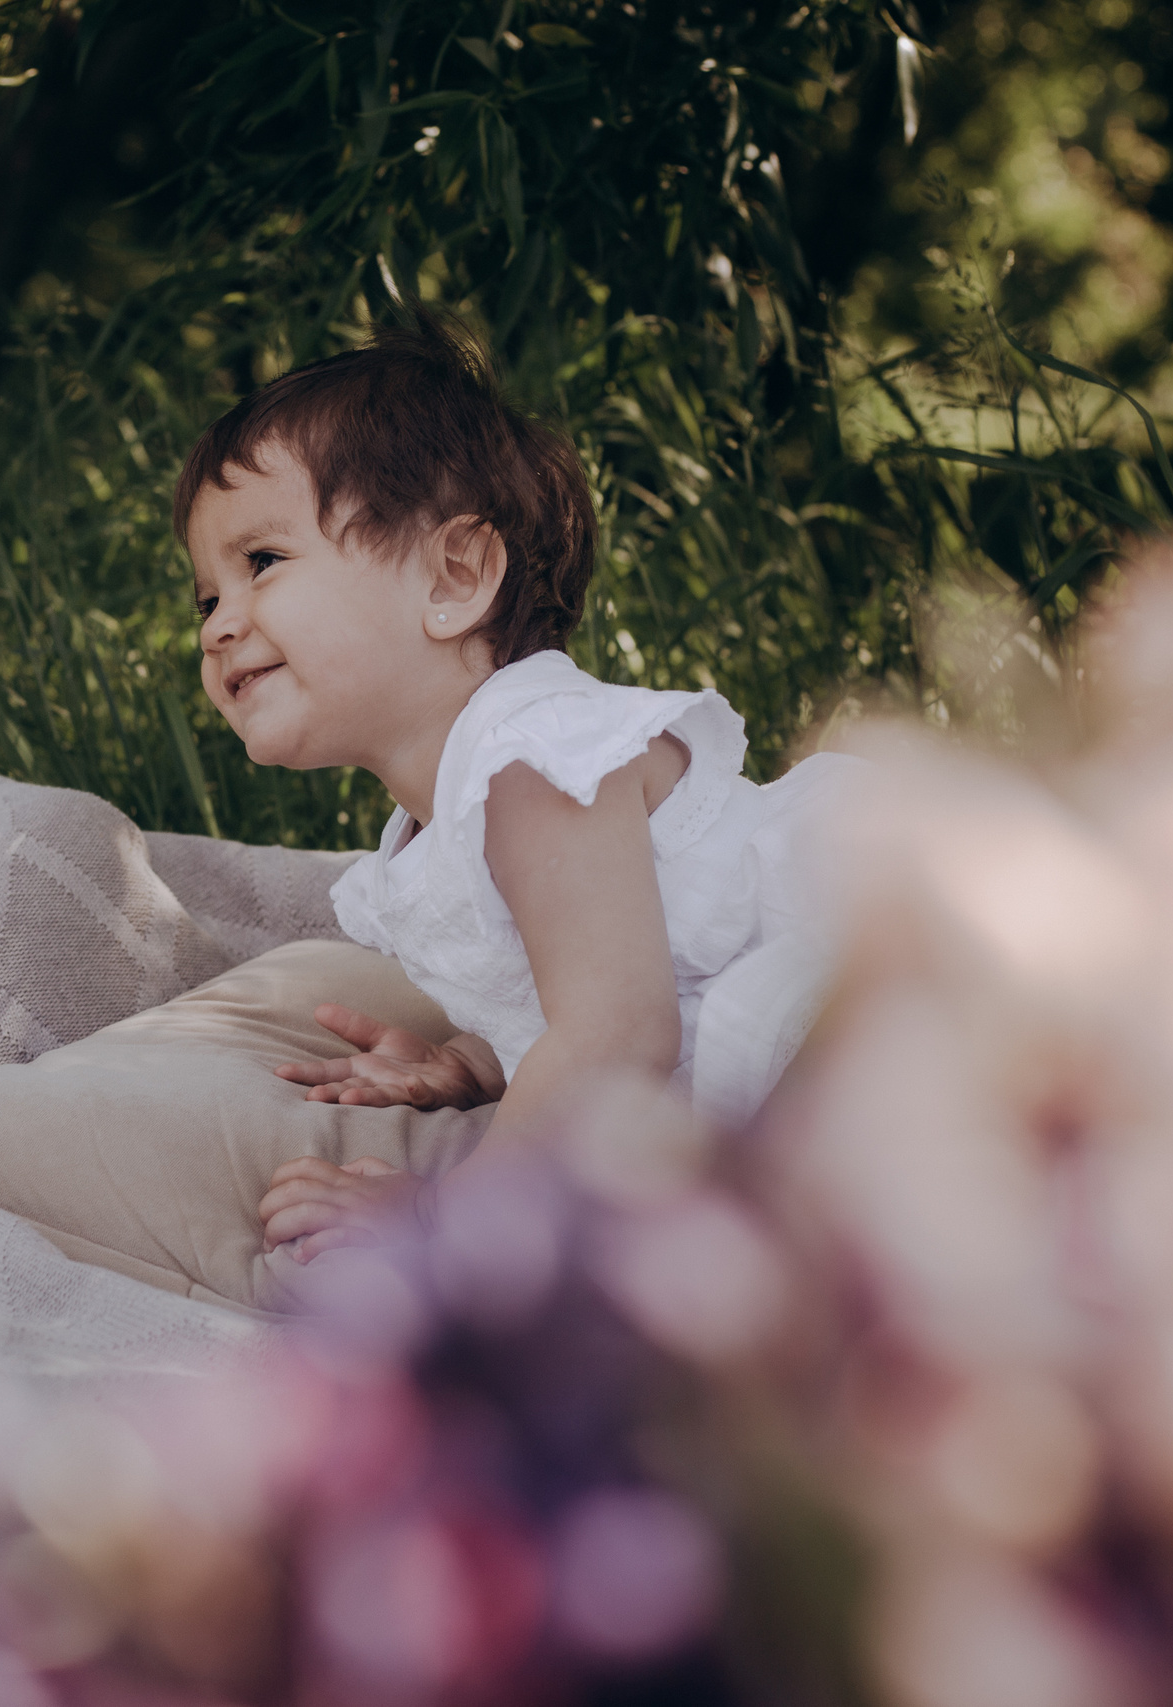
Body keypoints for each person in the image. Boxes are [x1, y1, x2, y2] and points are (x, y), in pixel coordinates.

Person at [174, 315, 855, 1264]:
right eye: (206, 596)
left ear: (455, 576)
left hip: (852, 992)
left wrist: (447, 1216)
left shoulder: (532, 755)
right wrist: (480, 1058)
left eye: (262, 563)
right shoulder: (442, 809)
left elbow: (621, 1029)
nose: (217, 626)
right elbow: (583, 977)